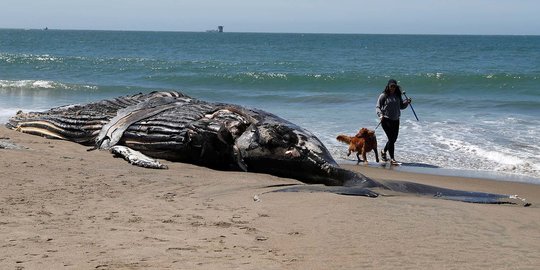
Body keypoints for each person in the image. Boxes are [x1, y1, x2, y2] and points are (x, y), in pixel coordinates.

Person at [375, 79, 412, 164]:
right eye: (391, 86)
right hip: (386, 120)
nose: (392, 88)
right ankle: (392, 159)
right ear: (388, 86)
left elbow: (401, 107)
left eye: (394, 86)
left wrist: (407, 102)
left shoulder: (397, 95)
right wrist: (380, 115)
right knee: (391, 139)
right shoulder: (383, 96)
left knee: (393, 139)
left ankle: (383, 152)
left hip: (396, 120)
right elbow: (377, 107)